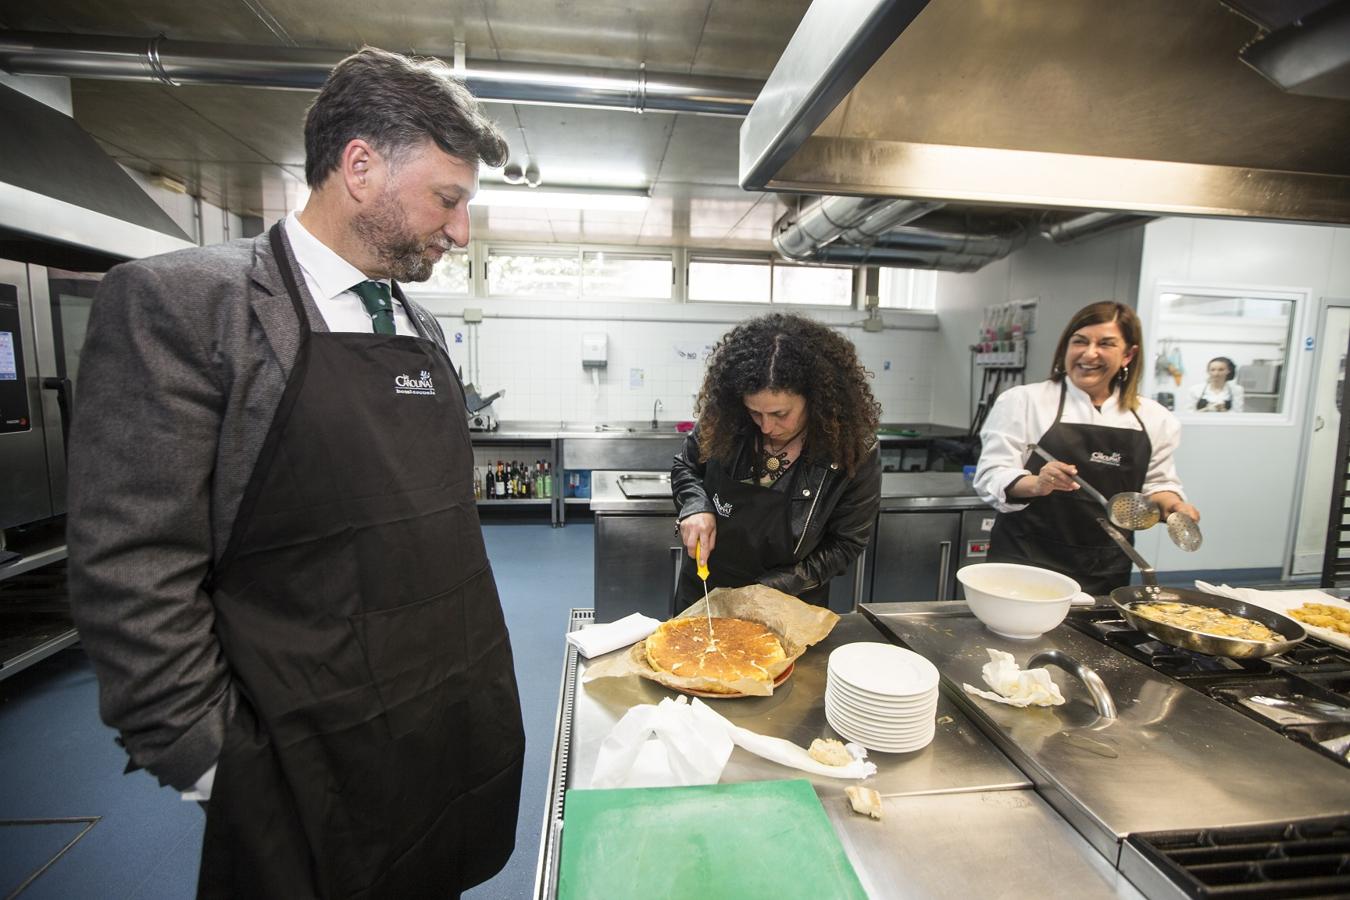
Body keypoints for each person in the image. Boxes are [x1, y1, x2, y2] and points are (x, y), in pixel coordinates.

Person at [66, 48, 525, 898]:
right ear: (359, 167)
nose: (460, 231)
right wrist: (216, 766)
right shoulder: (187, 306)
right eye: (448, 199)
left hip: (439, 731)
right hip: (298, 758)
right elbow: (132, 568)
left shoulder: (415, 323)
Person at [974, 301, 1201, 595]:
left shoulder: (1155, 418)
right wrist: (1038, 483)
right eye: (1080, 341)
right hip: (1025, 561)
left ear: (1128, 354)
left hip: (1104, 568)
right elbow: (991, 475)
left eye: (1106, 344)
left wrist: (1174, 507)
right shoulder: (1024, 401)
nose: (1089, 353)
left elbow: (1157, 483)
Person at [671, 313, 882, 607]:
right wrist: (695, 505)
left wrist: (773, 588)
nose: (766, 427)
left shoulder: (852, 450)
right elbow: (686, 466)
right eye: (755, 412)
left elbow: (847, 543)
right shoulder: (725, 420)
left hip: (787, 602)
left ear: (816, 399)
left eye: (780, 414)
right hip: (707, 590)